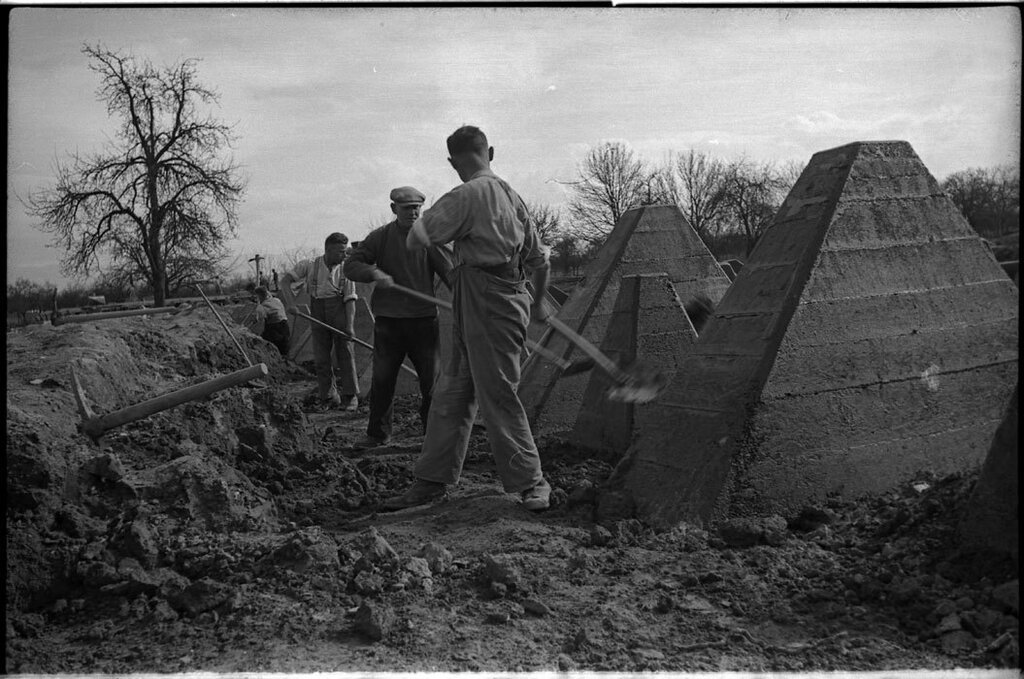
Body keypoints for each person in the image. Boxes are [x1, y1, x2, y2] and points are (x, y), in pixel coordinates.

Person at [383, 125, 553, 512]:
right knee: (453, 390)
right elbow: (538, 257)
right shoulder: (512, 195)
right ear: (489, 152)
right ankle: (431, 480)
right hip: (483, 297)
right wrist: (540, 303)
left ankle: (532, 481)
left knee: (497, 393)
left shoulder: (465, 195)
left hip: (490, 302)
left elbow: (417, 236)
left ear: (451, 161)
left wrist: (449, 246)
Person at [344, 186, 453, 447]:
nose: (413, 213)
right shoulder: (379, 238)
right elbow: (351, 266)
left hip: (423, 322)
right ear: (394, 209)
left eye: (417, 208)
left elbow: (451, 274)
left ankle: (433, 435)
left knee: (431, 382)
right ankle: (378, 434)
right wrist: (373, 273)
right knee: (382, 381)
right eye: (407, 208)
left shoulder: (429, 239)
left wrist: (463, 300)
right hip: (389, 324)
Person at [279, 233, 360, 411]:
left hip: (339, 310)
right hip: (317, 311)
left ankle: (350, 396)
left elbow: (350, 300)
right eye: (340, 251)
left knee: (345, 353)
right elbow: (285, 282)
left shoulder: (347, 270)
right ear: (328, 250)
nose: (344, 255)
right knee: (321, 357)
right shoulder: (309, 266)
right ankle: (329, 396)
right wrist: (291, 304)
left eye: (345, 251)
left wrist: (350, 327)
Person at [252, 286, 290, 355]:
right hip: (285, 326)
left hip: (274, 328)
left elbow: (258, 320)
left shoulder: (262, 306)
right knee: (284, 348)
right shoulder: (277, 300)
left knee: (268, 343)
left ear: (259, 296)